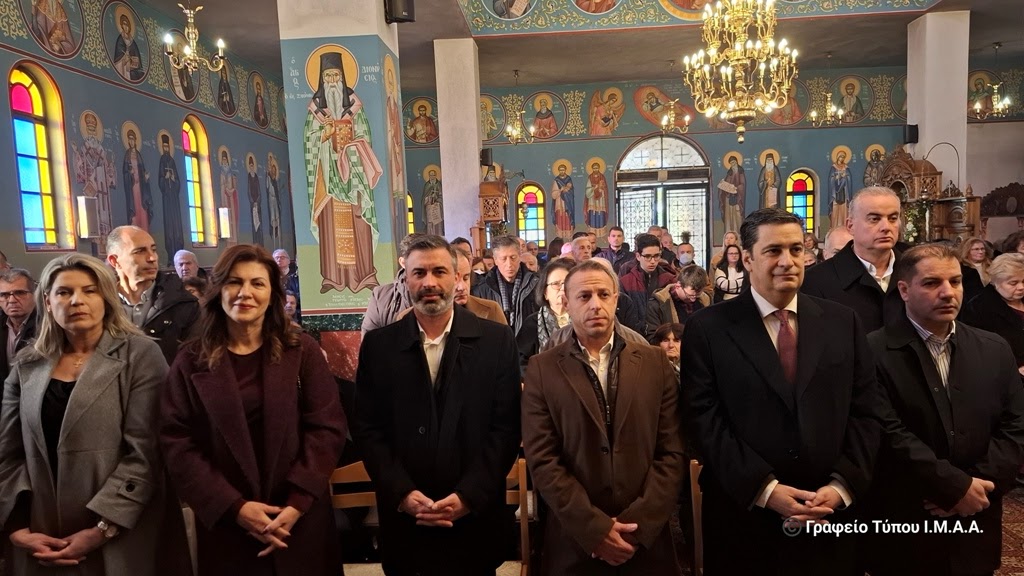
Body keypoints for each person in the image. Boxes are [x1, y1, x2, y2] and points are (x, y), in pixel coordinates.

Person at [681, 208, 883, 575]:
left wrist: (842, 485)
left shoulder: (842, 321)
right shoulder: (707, 328)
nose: (788, 261)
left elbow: (866, 410)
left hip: (828, 512)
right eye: (773, 250)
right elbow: (703, 420)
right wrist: (765, 489)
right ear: (747, 259)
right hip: (744, 515)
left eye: (795, 249)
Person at [160, 244, 346, 576]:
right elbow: (178, 441)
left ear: (272, 293)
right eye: (234, 282)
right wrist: (234, 507)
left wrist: (297, 502)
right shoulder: (191, 360)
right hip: (229, 522)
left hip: (298, 517)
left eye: (257, 283)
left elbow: (327, 428)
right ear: (218, 290)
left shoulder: (301, 350)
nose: (244, 293)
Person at [0, 253, 189, 576]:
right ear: (47, 301)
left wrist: (102, 528)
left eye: (89, 291)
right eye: (64, 292)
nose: (77, 300)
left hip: (119, 530)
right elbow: (8, 452)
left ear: (106, 298)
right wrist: (16, 526)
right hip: (41, 532)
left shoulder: (140, 355)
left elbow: (146, 453)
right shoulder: (28, 363)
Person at [355, 235, 521, 576]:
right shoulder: (379, 346)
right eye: (419, 273)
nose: (429, 282)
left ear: (457, 277)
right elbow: (368, 429)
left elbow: (505, 429)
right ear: (406, 279)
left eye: (439, 271)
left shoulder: (496, 341)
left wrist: (469, 496)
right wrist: (401, 493)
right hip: (406, 520)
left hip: (474, 519)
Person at [863, 244, 1024, 576]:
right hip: (908, 513)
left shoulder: (993, 348)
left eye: (955, 281)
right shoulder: (873, 350)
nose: (948, 292)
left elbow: (1015, 424)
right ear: (904, 290)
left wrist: (979, 484)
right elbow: (885, 429)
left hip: (978, 511)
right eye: (932, 283)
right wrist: (952, 487)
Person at [522, 258, 684, 576]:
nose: (595, 304)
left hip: (646, 539)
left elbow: (672, 451)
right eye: (584, 296)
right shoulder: (543, 368)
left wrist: (637, 525)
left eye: (603, 294)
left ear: (616, 299)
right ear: (567, 303)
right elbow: (542, 458)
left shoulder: (653, 362)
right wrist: (595, 530)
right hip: (575, 540)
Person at [304, 52, 382, 293]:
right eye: (327, 76)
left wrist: (351, 147)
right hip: (328, 176)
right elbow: (308, 140)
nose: (332, 80)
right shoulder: (315, 109)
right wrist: (324, 135)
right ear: (321, 78)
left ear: (342, 76)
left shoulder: (355, 105)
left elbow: (365, 135)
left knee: (358, 219)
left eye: (335, 75)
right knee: (330, 224)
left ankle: (364, 275)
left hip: (353, 173)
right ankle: (333, 278)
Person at [803, 186, 904, 333]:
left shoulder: (918, 268)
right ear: (850, 226)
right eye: (874, 219)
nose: (886, 227)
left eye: (893, 218)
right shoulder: (815, 280)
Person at [107, 226, 199, 364]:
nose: (152, 258)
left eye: (154, 250)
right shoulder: (101, 303)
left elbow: (194, 361)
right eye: (140, 251)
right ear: (115, 261)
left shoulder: (183, 303)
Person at [960, 252, 1024, 375]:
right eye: (1013, 283)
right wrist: (1015, 369)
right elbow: (975, 350)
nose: (1021, 287)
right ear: (995, 281)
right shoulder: (979, 307)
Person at [471, 235, 540, 335]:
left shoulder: (535, 284)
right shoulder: (481, 289)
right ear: (495, 260)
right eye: (503, 259)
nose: (509, 264)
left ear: (520, 256)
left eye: (513, 258)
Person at [517, 258, 575, 367]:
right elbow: (521, 363)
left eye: (567, 283)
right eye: (556, 284)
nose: (563, 289)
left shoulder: (583, 319)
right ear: (545, 292)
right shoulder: (532, 323)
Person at [361, 234, 420, 335]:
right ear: (403, 262)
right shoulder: (380, 296)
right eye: (417, 260)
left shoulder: (444, 293)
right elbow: (369, 340)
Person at [0, 268, 38, 383]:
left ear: (34, 294)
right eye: (4, 295)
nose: (11, 300)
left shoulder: (47, 326)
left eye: (20, 293)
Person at [648, 264, 709, 335]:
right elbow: (652, 335)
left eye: (697, 295)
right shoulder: (657, 304)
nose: (693, 300)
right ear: (678, 286)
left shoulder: (704, 300)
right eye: (690, 295)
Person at [619, 233, 675, 304]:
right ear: (638, 256)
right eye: (647, 256)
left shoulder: (669, 279)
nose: (653, 261)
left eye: (656, 256)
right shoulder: (625, 282)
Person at [157, 134, 184, 261]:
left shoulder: (172, 161)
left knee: (177, 227)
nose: (166, 149)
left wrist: (173, 179)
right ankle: (170, 256)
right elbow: (160, 181)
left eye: (167, 147)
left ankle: (179, 250)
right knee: (169, 227)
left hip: (174, 200)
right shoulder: (162, 161)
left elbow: (178, 182)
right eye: (164, 147)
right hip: (167, 200)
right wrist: (165, 178)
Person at [122, 129, 152, 230]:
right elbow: (125, 173)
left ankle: (144, 231)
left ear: (135, 140)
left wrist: (145, 178)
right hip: (133, 188)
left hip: (141, 188)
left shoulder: (139, 155)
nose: (131, 142)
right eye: (129, 139)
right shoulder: (127, 155)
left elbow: (142, 171)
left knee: (143, 211)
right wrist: (129, 173)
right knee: (134, 210)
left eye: (132, 139)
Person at [246, 156, 263, 245]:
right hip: (253, 205)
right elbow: (249, 191)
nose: (251, 167)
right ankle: (255, 242)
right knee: (254, 224)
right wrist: (253, 202)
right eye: (250, 166)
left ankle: (260, 242)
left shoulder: (256, 176)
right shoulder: (249, 177)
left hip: (258, 204)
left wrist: (258, 201)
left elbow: (259, 191)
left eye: (252, 166)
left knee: (259, 223)